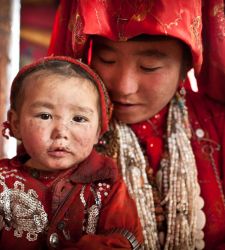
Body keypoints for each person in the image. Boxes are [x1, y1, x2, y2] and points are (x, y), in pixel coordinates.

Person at [48, 1, 225, 250]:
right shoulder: (60, 133)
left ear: (187, 65)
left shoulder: (217, 124)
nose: (123, 87)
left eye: (149, 67)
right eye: (107, 59)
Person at [0, 56, 143, 250]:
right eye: (45, 116)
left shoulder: (107, 186)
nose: (61, 131)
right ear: (16, 124)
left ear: (98, 130)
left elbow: (122, 242)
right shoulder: (3, 182)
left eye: (79, 118)